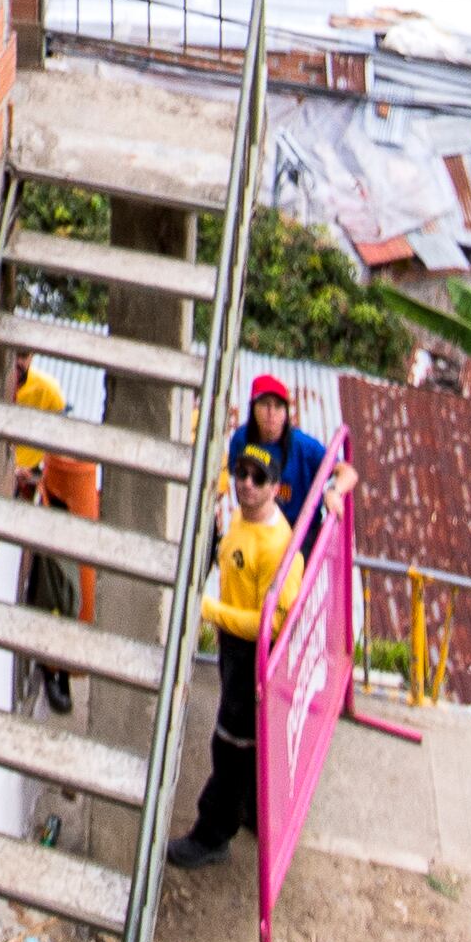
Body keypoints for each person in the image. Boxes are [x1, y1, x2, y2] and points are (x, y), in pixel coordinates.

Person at [165, 446, 294, 870]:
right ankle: (254, 811)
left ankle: (212, 834)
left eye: (258, 478)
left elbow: (272, 624)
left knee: (230, 743)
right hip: (233, 646)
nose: (246, 484)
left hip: (254, 653)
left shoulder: (275, 546)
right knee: (248, 742)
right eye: (241, 472)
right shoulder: (242, 514)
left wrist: (208, 610)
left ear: (276, 488)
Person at [3, 357, 100, 709]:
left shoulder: (45, 391)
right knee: (48, 582)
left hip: (43, 490)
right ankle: (50, 665)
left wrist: (38, 476)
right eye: (16, 359)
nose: (21, 365)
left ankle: (58, 665)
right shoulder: (2, 386)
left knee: (66, 584)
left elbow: (60, 445)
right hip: (20, 493)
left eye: (25, 358)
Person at [229, 371, 333, 524]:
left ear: (286, 412)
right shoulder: (241, 439)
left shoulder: (302, 445)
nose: (271, 413)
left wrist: (334, 490)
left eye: (278, 406)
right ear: (253, 408)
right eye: (265, 404)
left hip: (300, 529)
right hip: (255, 522)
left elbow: (345, 471)